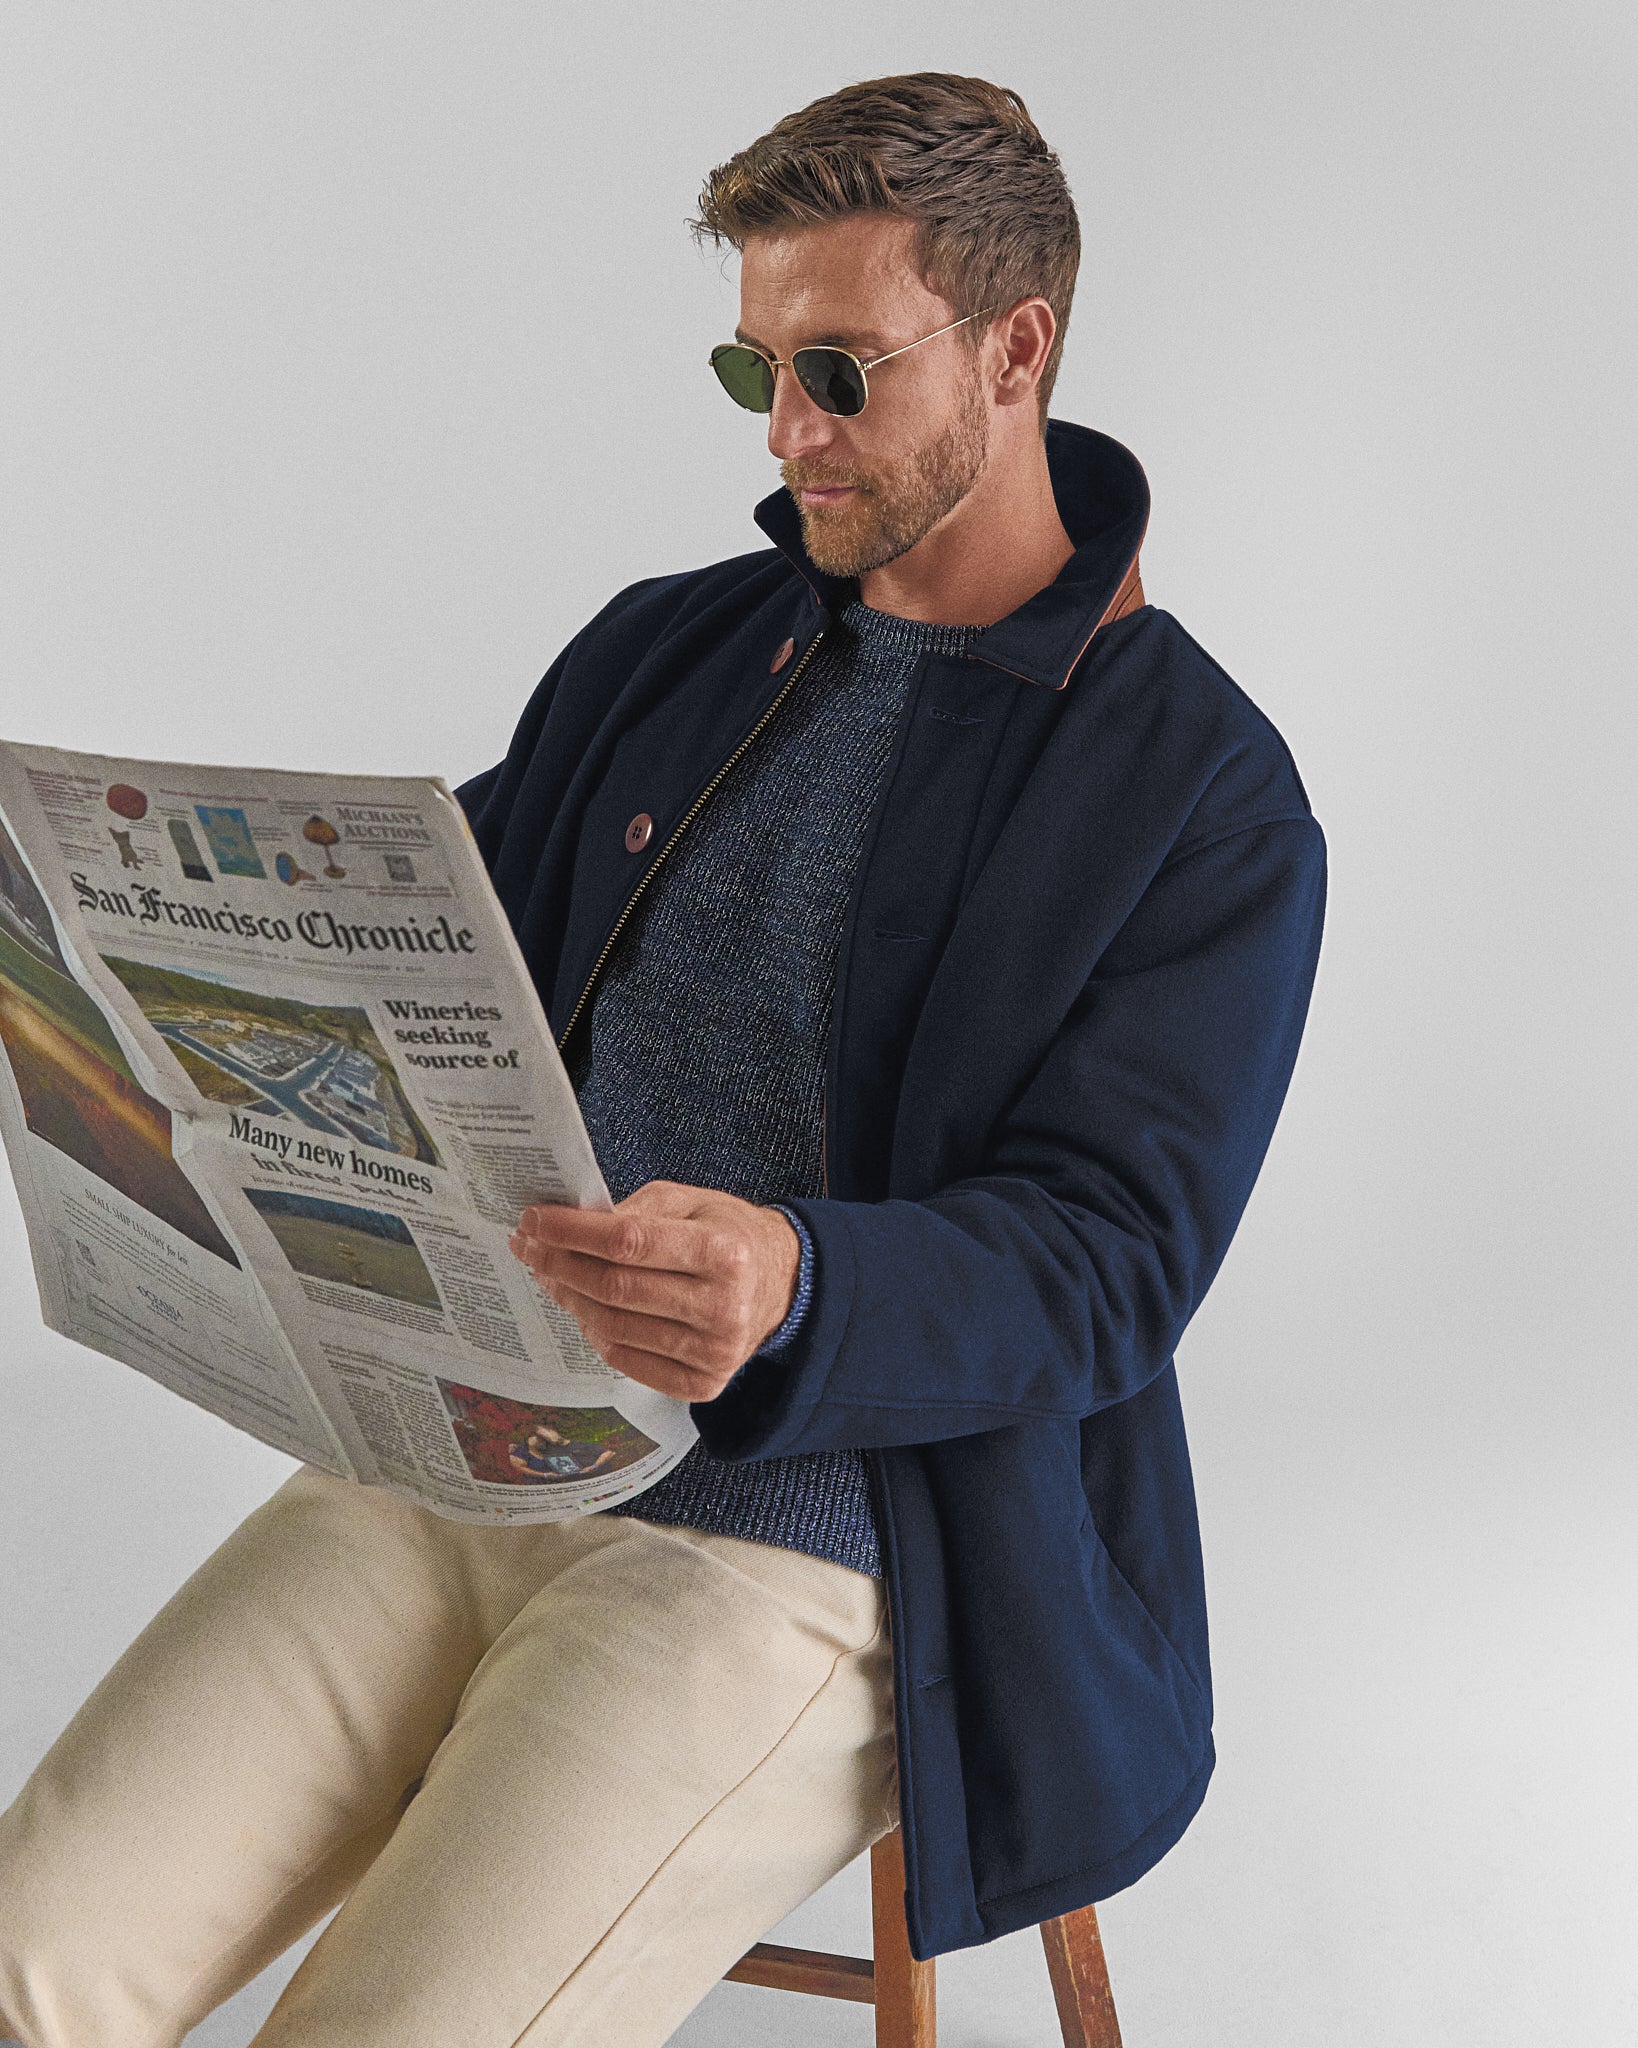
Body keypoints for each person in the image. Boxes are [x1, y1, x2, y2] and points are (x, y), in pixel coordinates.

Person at [0, 71, 1326, 2048]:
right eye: (751, 373)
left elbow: (1114, 1261)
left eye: (837, 373)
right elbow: (437, 947)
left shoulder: (1198, 791)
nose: (787, 433)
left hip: (812, 1542)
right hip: (463, 1457)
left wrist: (801, 1277)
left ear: (1016, 347)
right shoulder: (669, 650)